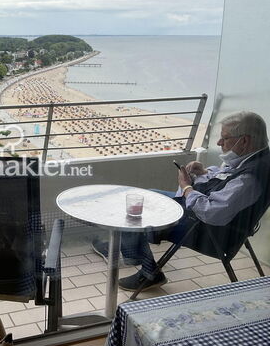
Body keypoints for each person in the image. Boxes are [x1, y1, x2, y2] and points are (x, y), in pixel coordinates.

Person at [92, 111, 270, 291]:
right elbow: (226, 182)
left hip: (207, 232)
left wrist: (186, 187)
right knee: (147, 195)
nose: (219, 143)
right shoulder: (253, 160)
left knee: (138, 211)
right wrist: (204, 173)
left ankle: (147, 271)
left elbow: (211, 212)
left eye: (225, 138)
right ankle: (126, 245)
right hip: (209, 221)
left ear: (245, 141)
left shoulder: (249, 178)